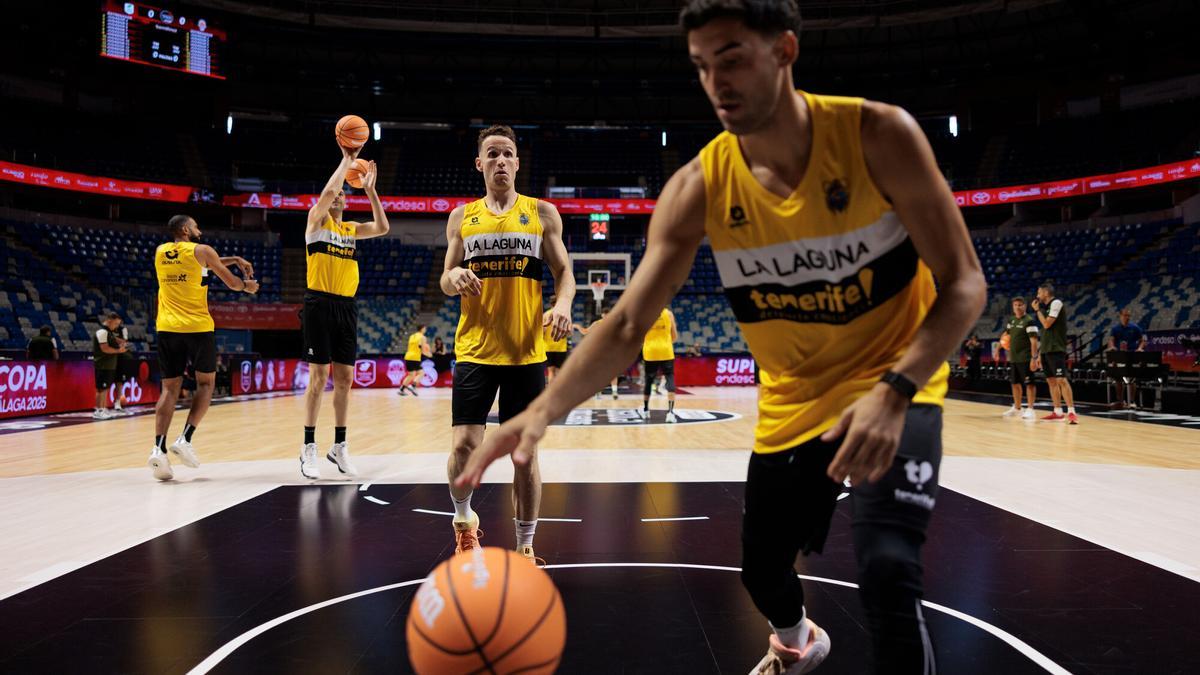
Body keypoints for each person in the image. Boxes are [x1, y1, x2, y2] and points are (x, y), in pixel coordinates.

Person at [455, 2, 988, 673]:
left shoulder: (878, 135)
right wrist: (537, 412)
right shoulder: (699, 185)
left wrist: (896, 389)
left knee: (887, 569)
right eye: (703, 67)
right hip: (793, 405)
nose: (717, 82)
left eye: (732, 59)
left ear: (785, 51)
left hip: (895, 384)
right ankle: (798, 642)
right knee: (762, 575)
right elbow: (623, 325)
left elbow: (965, 283)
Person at [440, 124, 575, 562]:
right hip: (475, 349)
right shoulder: (462, 217)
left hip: (525, 353)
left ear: (517, 163)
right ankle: (464, 522)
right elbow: (445, 277)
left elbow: (564, 273)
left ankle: (525, 546)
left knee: (524, 454)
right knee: (464, 444)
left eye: (508, 154)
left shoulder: (542, 213)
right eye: (492, 154)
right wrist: (453, 276)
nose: (500, 161)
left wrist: (564, 304)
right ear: (479, 163)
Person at [299, 148, 390, 479]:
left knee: (345, 380)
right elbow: (326, 192)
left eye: (341, 195)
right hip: (319, 303)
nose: (336, 197)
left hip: (346, 306)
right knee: (318, 378)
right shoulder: (315, 223)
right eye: (333, 194)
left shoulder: (350, 229)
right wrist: (347, 159)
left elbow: (382, 227)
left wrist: (370, 191)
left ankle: (339, 445)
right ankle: (308, 445)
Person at [150, 215, 258, 480]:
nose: (200, 229)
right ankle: (185, 439)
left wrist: (234, 260)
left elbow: (203, 263)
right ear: (186, 229)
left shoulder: (161, 252)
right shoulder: (203, 250)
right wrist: (248, 286)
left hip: (166, 327)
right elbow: (231, 282)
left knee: (169, 388)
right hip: (197, 327)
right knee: (206, 385)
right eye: (196, 226)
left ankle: (158, 449)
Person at [1031, 283, 1077, 424]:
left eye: (1039, 292)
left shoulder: (1056, 303)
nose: (1037, 295)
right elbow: (1045, 333)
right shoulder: (1046, 308)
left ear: (1046, 292)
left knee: (1061, 380)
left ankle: (1071, 412)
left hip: (1056, 348)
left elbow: (1046, 324)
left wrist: (1037, 310)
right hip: (1046, 349)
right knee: (1051, 381)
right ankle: (1057, 411)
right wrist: (1039, 353)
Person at [1000, 298, 1040, 419]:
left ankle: (1030, 409)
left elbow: (1034, 341)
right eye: (1015, 305)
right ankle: (1017, 408)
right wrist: (998, 348)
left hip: (1026, 357)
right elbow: (1006, 335)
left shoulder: (1029, 321)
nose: (1018, 307)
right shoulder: (1011, 320)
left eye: (1020, 305)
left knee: (1029, 384)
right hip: (1014, 358)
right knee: (1015, 383)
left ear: (1025, 306)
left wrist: (1034, 358)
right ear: (1012, 307)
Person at [642, 306, 679, 422]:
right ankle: (670, 413)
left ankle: (646, 410)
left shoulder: (645, 314)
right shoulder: (669, 314)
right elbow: (674, 336)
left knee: (649, 380)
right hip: (666, 351)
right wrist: (665, 342)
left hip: (650, 351)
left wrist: (649, 341)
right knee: (670, 378)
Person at [1108, 308, 1147, 408]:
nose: (1127, 317)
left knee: (1131, 379)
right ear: (1120, 316)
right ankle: (1120, 401)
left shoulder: (1135, 327)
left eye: (1129, 315)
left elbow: (1143, 340)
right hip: (1120, 356)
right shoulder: (1115, 329)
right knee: (1118, 379)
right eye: (1125, 315)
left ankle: (1132, 401)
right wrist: (1112, 347)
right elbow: (1111, 340)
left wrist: (1140, 348)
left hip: (1132, 356)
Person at [92, 313, 128, 420]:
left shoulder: (109, 332)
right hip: (103, 364)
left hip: (109, 365)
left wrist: (121, 342)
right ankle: (99, 410)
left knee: (105, 388)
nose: (116, 326)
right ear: (109, 320)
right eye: (116, 323)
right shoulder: (102, 332)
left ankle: (103, 408)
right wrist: (118, 350)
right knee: (101, 389)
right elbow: (105, 348)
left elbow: (116, 341)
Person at [543, 296, 572, 383]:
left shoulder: (545, 315)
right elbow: (569, 332)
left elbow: (542, 332)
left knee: (551, 371)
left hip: (548, 347)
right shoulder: (564, 314)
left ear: (550, 303)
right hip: (561, 348)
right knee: (559, 372)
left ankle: (551, 393)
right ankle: (559, 394)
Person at [399, 324, 431, 396]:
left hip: (408, 356)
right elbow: (423, 350)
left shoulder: (412, 336)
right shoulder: (422, 337)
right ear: (422, 329)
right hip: (415, 357)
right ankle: (412, 386)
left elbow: (415, 346)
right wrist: (429, 354)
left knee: (411, 374)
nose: (425, 330)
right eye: (424, 329)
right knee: (421, 373)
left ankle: (401, 389)